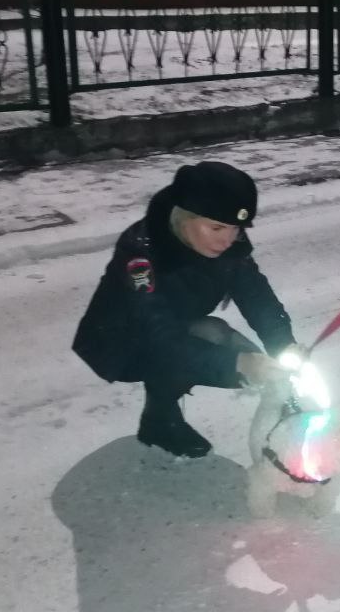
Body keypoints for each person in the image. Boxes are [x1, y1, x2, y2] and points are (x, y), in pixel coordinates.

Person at [73, 161, 303, 459]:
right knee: (203, 351)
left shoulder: (229, 242)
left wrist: (284, 344)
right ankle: (160, 421)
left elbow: (256, 294)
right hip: (119, 340)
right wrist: (240, 363)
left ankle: (160, 416)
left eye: (236, 228)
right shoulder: (140, 253)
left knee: (221, 344)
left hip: (174, 324)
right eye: (217, 227)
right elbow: (159, 336)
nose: (228, 239)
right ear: (184, 218)